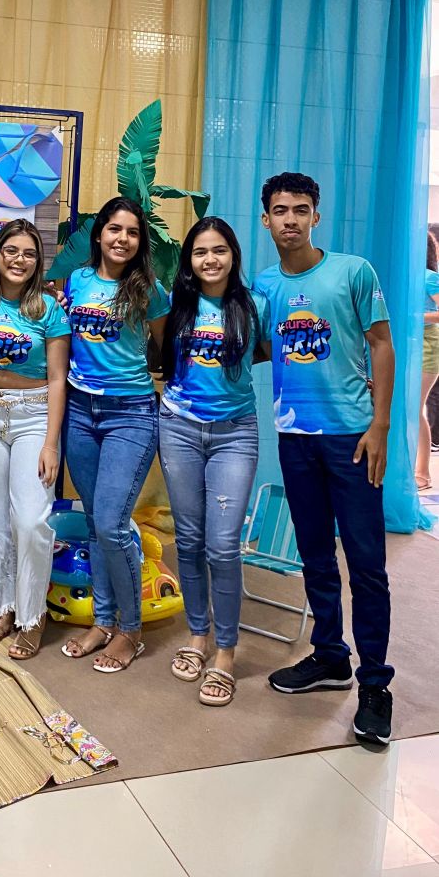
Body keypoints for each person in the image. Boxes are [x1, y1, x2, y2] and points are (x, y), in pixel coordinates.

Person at [253, 172, 395, 746]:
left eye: (300, 209)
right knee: (314, 555)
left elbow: (381, 343)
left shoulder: (353, 272)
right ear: (265, 219)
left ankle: (375, 685)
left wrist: (380, 425)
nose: (290, 219)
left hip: (352, 438)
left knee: (366, 564)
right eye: (280, 210)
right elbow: (262, 347)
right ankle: (331, 655)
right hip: (295, 438)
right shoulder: (264, 284)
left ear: (316, 216)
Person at [159, 217, 267, 707]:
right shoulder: (176, 303)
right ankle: (197, 636)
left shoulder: (254, 304)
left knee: (222, 547)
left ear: (233, 255)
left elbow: (271, 353)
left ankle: (226, 652)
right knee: (188, 539)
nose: (210, 260)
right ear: (190, 260)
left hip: (235, 434)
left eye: (219, 250)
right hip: (178, 427)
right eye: (200, 252)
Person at [60, 196, 169, 674]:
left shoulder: (150, 290)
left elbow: (167, 346)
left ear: (140, 241)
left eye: (132, 232)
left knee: (111, 522)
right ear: (99, 233)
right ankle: (103, 622)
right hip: (80, 410)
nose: (122, 238)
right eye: (114, 229)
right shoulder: (77, 280)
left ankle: (131, 630)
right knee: (95, 523)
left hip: (131, 414)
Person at [0, 219, 70, 659]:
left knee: (30, 520)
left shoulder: (49, 308)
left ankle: (32, 616)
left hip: (34, 416)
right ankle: (0, 611)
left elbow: (59, 378)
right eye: (11, 251)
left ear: (37, 261)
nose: (19, 260)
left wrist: (50, 443)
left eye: (29, 253)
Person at [415, 231, 439, 490]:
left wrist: (415, 316)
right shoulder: (410, 277)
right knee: (410, 409)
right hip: (411, 344)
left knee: (416, 408)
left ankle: (423, 472)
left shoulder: (430, 277)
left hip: (428, 345)